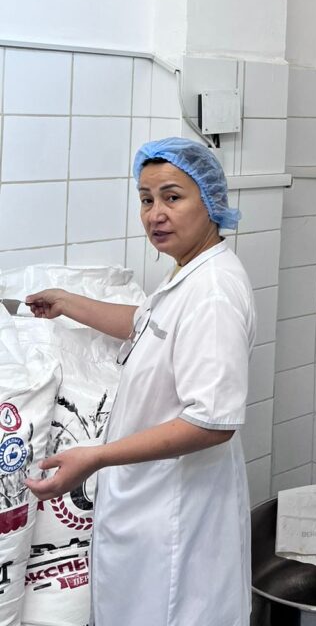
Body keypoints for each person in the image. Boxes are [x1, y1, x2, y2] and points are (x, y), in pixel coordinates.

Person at [25, 137, 256, 626]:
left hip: (177, 519)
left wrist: (96, 457)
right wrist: (68, 302)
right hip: (151, 508)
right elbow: (146, 323)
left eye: (173, 197)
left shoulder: (214, 292)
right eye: (146, 200)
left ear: (210, 201)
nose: (156, 214)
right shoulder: (189, 274)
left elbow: (212, 423)